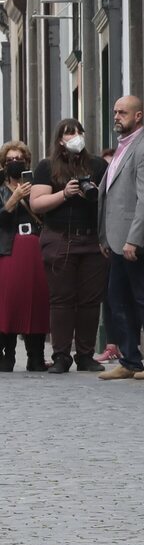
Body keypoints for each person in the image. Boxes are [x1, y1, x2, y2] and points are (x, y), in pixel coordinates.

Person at [97, 95, 144, 381]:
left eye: (123, 112)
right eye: (115, 111)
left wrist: (135, 239)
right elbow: (112, 197)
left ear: (138, 116)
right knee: (118, 300)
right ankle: (130, 360)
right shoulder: (122, 147)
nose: (117, 116)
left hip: (135, 243)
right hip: (117, 241)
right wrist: (105, 236)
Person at [29, 120, 109, 373]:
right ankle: (62, 355)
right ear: (60, 139)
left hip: (91, 238)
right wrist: (65, 193)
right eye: (69, 132)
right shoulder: (46, 167)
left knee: (90, 300)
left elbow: (109, 200)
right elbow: (37, 203)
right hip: (60, 238)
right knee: (61, 299)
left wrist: (95, 193)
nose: (76, 136)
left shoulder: (97, 165)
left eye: (79, 132)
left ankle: (85, 355)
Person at [0, 141, 49, 372]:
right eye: (9, 160)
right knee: (8, 302)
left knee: (36, 300)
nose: (14, 163)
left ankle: (36, 355)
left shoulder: (38, 185)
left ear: (27, 162)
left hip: (35, 247)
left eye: (19, 159)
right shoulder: (0, 188)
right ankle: (6, 354)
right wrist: (13, 198)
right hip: (9, 249)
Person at [94, 146, 122, 364]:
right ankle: (112, 344)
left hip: (125, 243)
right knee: (109, 297)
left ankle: (126, 344)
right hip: (105, 245)